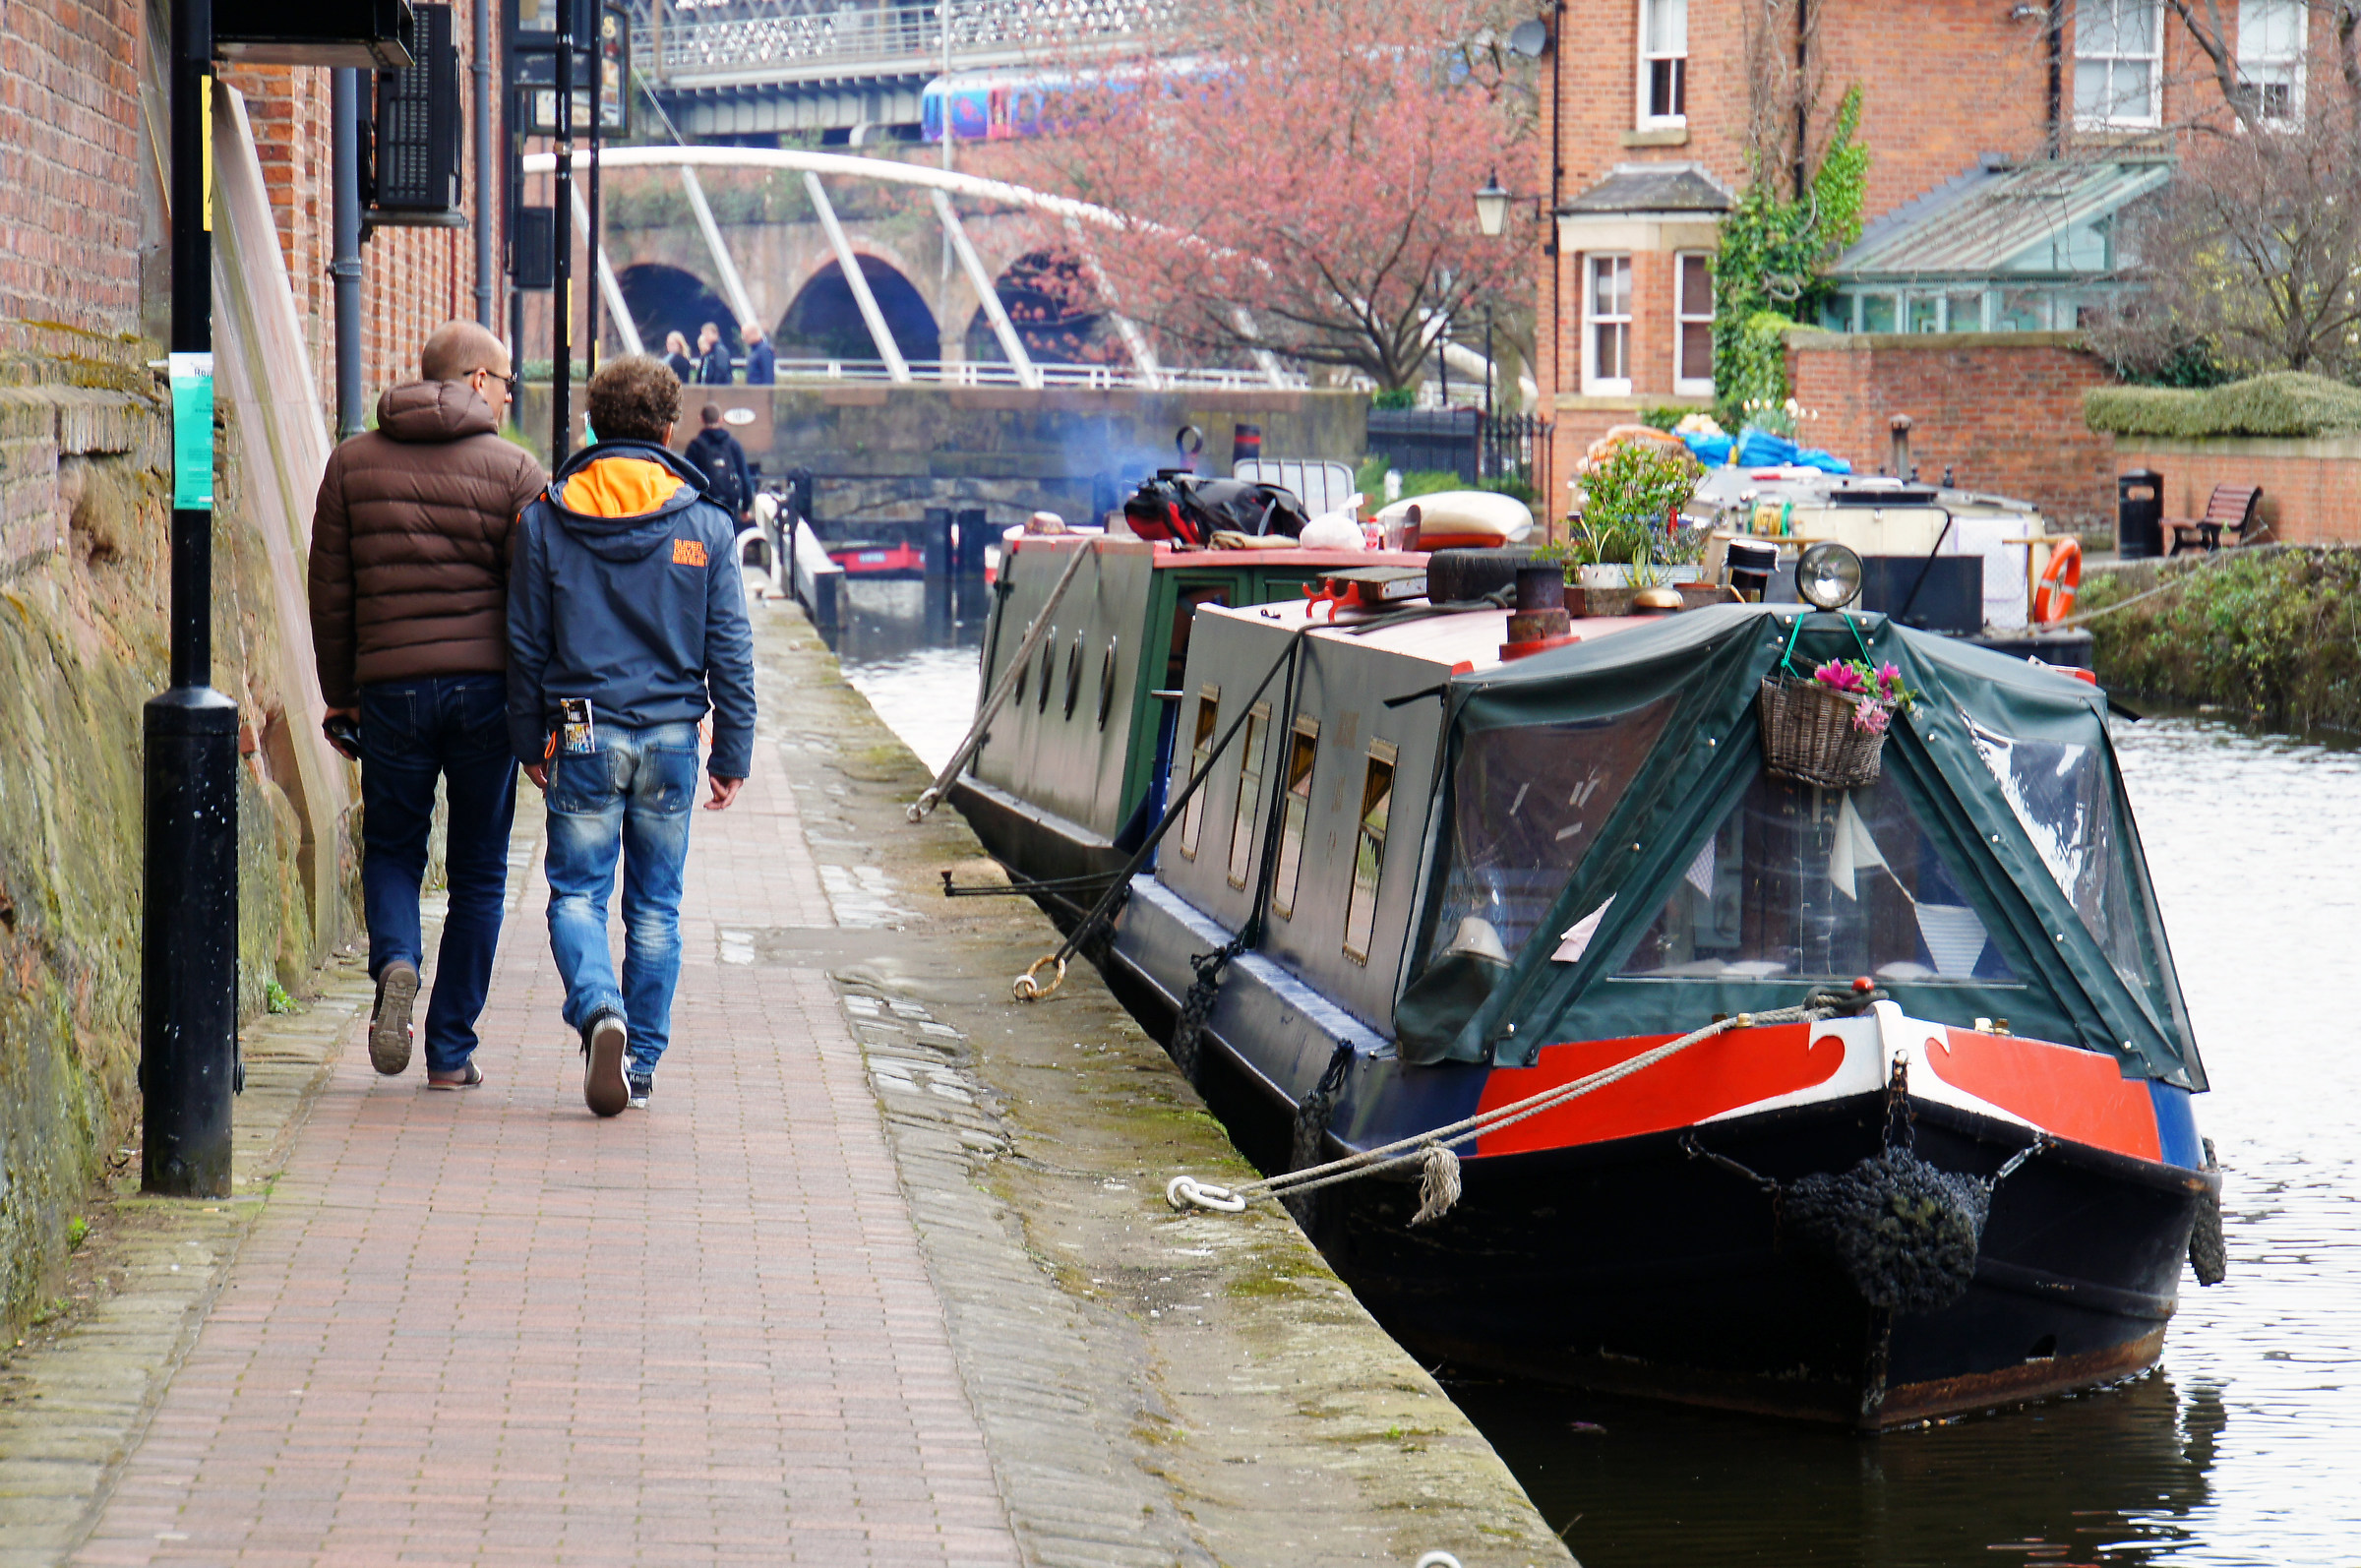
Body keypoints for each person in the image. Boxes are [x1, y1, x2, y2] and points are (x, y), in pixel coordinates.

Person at [507, 354, 756, 1117]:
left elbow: (524, 643)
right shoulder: (706, 524)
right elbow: (731, 648)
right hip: (674, 736)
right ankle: (639, 1061)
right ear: (669, 430)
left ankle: (598, 1009)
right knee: (655, 906)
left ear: (595, 423)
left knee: (577, 892)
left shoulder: (546, 519)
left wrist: (529, 741)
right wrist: (732, 752)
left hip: (581, 730)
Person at [307, 321, 546, 1090]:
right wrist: (532, 709)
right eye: (506, 381)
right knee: (479, 871)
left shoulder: (352, 464)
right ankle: (449, 1052)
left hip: (391, 689)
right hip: (485, 694)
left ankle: (399, 961)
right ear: (477, 380)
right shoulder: (515, 471)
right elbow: (535, 603)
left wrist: (342, 694)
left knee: (395, 847)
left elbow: (331, 592)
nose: (510, 394)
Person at [683, 402, 753, 523]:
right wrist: (746, 507)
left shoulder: (695, 446)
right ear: (720, 420)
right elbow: (745, 477)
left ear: (701, 419)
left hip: (704, 506)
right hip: (730, 506)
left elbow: (687, 478)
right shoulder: (733, 445)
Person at [695, 322, 733, 386]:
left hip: (717, 391)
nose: (705, 338)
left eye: (707, 335)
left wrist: (713, 389)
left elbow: (721, 372)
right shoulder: (708, 353)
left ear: (715, 334)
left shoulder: (720, 351)